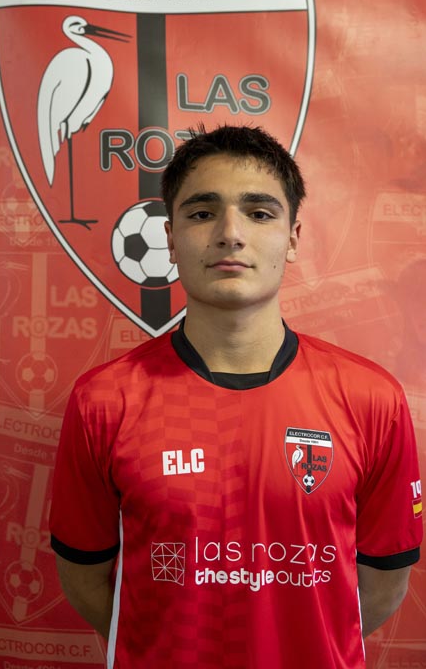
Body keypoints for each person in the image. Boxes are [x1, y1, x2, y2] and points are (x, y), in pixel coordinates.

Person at [49, 124, 423, 668]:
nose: (230, 233)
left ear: (292, 238)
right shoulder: (105, 401)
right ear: (170, 238)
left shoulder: (371, 400)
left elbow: (384, 585)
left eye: (259, 213)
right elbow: (84, 578)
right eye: (203, 213)